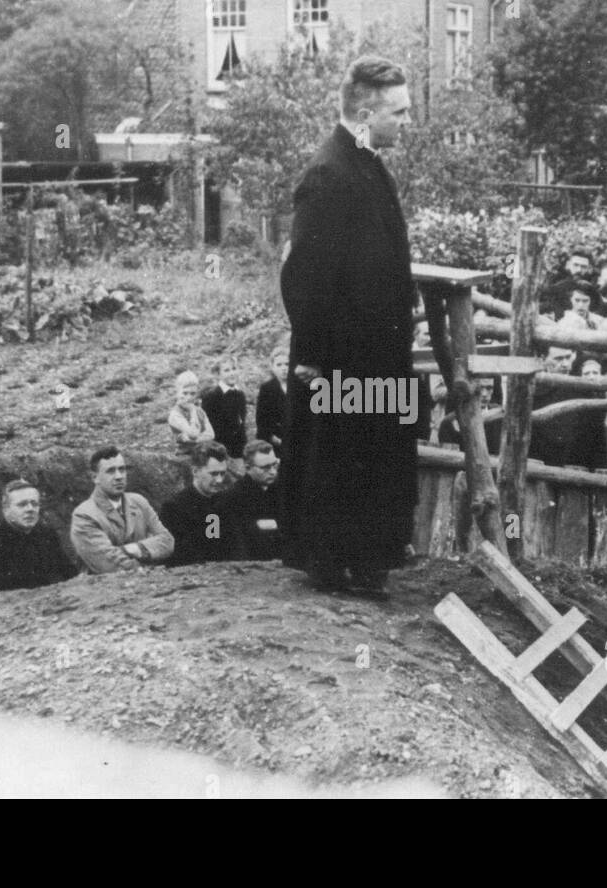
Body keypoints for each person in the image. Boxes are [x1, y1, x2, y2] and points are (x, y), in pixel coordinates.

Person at [279, 55, 419, 594]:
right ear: (365, 111)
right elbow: (306, 274)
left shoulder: (367, 161)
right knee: (340, 456)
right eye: (399, 112)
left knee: (372, 453)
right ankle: (334, 563)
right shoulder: (329, 173)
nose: (406, 121)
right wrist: (312, 358)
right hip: (339, 355)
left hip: (376, 350)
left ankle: (366, 560)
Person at [70, 446, 174, 573]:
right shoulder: (84, 515)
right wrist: (145, 565)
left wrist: (134, 548)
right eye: (110, 471)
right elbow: (106, 563)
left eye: (122, 469)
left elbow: (167, 541)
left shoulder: (139, 502)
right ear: (94, 477)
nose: (119, 476)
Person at [0, 480, 80, 592]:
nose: (30, 509)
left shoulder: (47, 535)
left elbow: (69, 574)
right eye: (22, 504)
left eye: (34, 504)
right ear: (6, 509)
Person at [160, 442, 245, 565]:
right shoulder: (174, 507)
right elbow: (181, 554)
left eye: (222, 473)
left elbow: (237, 546)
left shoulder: (226, 502)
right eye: (214, 474)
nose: (219, 480)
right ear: (195, 471)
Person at [223, 440, 284, 560]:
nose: (272, 472)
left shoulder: (283, 490)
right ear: (247, 467)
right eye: (265, 467)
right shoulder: (234, 496)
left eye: (274, 465)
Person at [201, 357, 248, 468]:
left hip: (238, 452)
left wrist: (243, 449)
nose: (232, 373)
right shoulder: (211, 397)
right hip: (220, 452)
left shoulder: (240, 394)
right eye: (227, 370)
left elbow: (241, 425)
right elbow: (210, 429)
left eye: (234, 369)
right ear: (218, 374)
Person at [167, 370, 216, 458]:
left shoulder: (200, 411)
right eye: (185, 393)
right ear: (177, 392)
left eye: (192, 393)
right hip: (184, 457)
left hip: (201, 454)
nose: (189, 397)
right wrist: (193, 411)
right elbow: (193, 434)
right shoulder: (175, 414)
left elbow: (211, 434)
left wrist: (193, 439)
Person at [255, 343, 290, 457]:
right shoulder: (267, 389)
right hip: (274, 442)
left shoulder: (299, 387)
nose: (284, 368)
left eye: (287, 364)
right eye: (279, 365)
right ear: (272, 367)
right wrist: (279, 441)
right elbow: (262, 421)